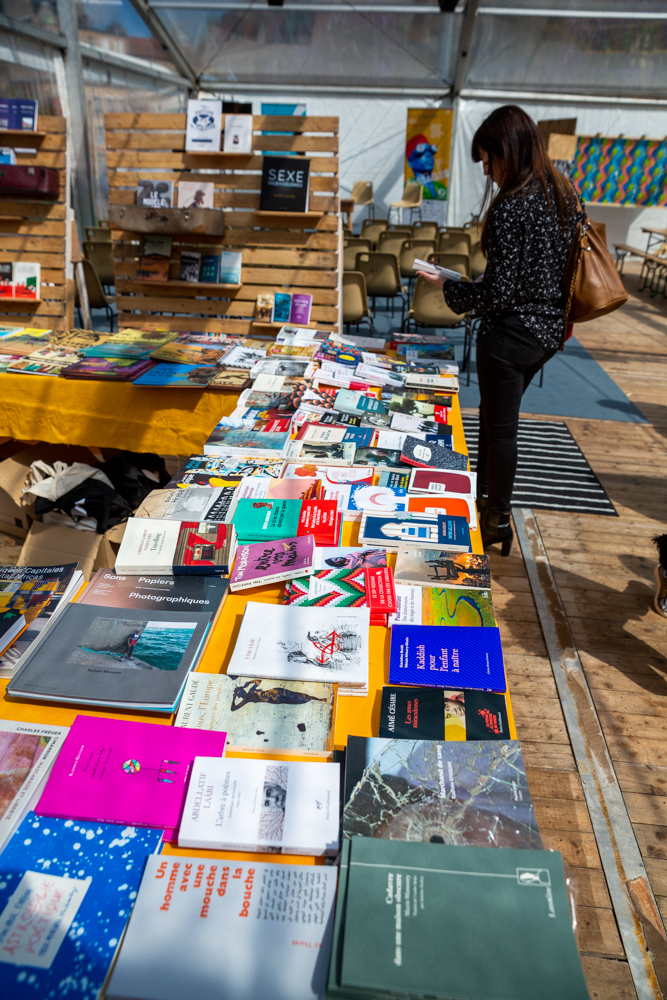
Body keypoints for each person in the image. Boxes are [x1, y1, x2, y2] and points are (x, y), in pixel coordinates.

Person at [417, 105, 583, 555]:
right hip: (548, 333)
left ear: (507, 151)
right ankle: (485, 501)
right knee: (495, 418)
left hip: (509, 335)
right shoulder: (564, 195)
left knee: (500, 429)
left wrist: (452, 289)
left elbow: (500, 291)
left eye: (489, 160)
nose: (488, 172)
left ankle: (495, 519)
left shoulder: (514, 205)